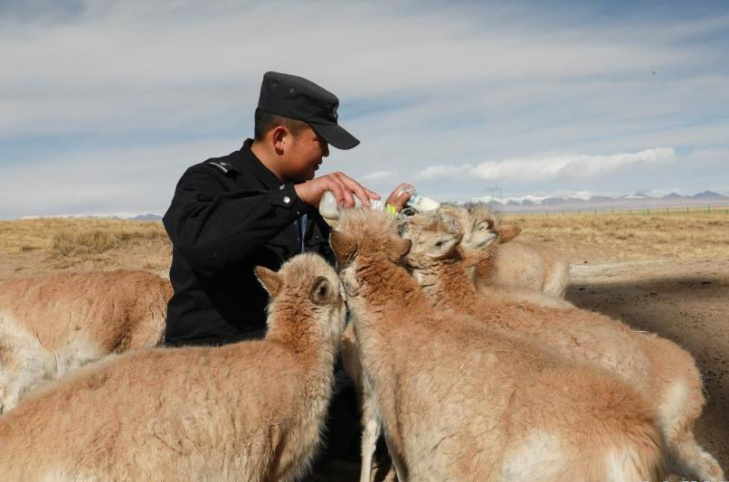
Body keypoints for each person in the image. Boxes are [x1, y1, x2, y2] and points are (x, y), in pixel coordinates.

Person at [162, 71, 412, 470]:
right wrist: (291, 198)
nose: (327, 154)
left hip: (294, 379)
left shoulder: (309, 203)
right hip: (213, 382)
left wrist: (389, 220)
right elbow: (204, 243)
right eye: (321, 141)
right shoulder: (209, 181)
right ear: (281, 138)